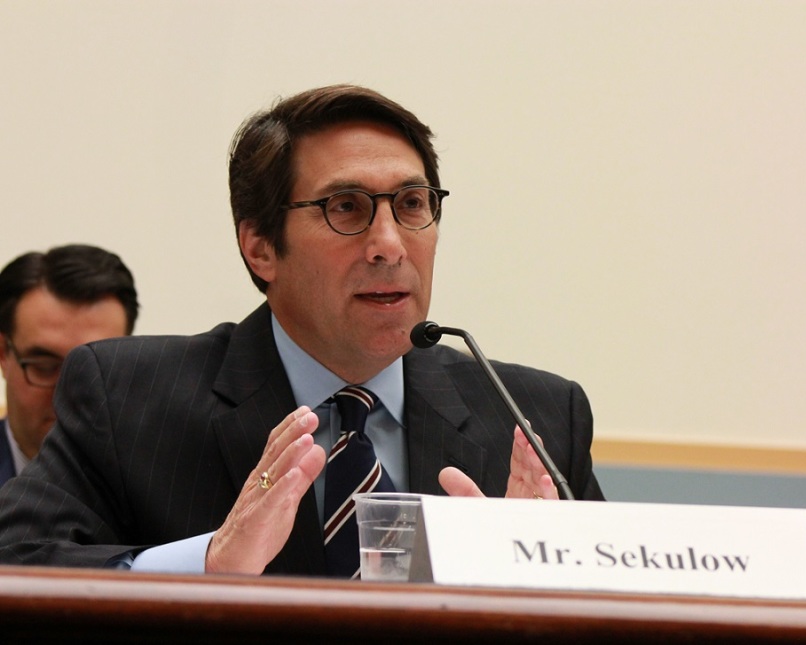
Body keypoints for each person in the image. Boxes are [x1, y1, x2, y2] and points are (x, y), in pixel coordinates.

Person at [0, 85, 603, 577]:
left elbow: (636, 604)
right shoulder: (126, 395)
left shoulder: (535, 416)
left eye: (412, 204)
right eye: (346, 208)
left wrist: (549, 577)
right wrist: (206, 566)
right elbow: (18, 564)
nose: (389, 244)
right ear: (260, 248)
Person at [0, 244, 139, 486]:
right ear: (3, 354)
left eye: (96, 369)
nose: (67, 394)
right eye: (45, 366)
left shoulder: (168, 481)